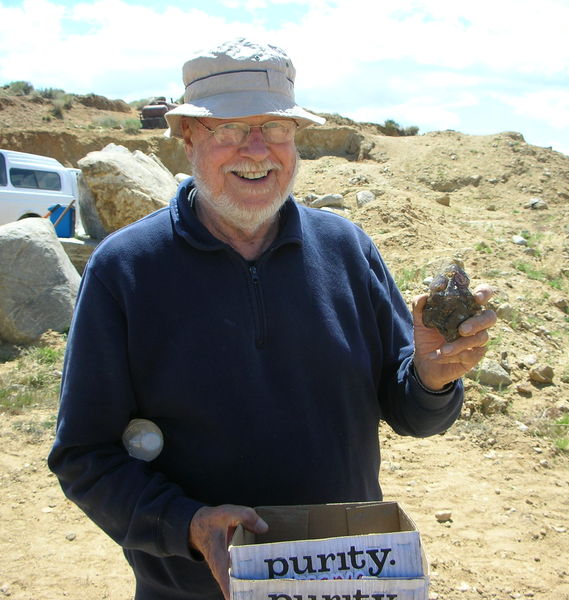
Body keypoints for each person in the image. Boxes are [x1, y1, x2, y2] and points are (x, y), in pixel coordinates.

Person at [48, 38, 496, 600]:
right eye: (229, 128)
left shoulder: (346, 249)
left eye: (274, 128)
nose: (257, 150)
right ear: (187, 135)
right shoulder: (125, 270)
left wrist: (432, 377)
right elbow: (84, 456)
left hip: (346, 580)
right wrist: (187, 525)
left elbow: (413, 413)